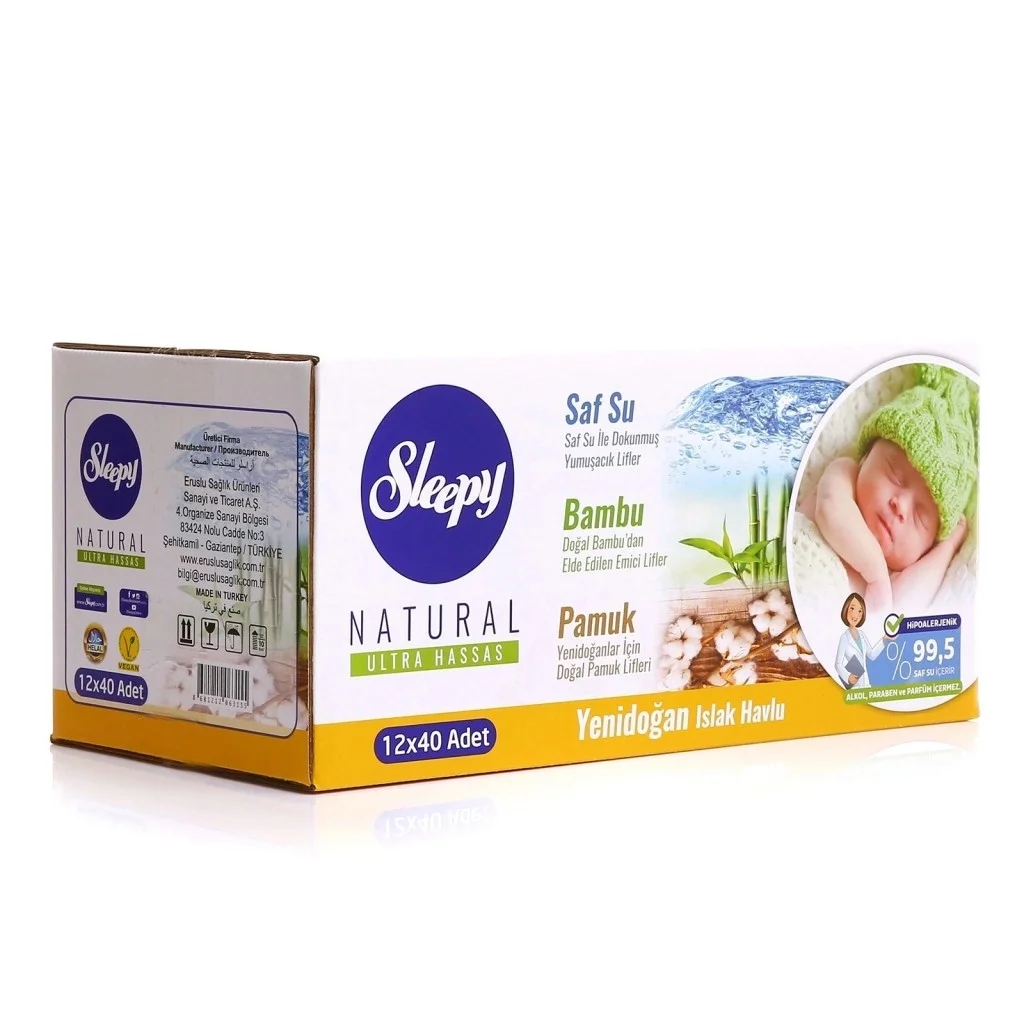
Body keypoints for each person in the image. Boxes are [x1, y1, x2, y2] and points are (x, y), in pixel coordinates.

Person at [799, 364, 977, 618]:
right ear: (867, 455)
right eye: (895, 475)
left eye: (920, 516)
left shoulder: (895, 577)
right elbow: (830, 510)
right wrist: (876, 576)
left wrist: (947, 547)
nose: (901, 506)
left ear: (927, 547)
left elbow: (903, 608)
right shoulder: (845, 474)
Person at [834, 593, 884, 689]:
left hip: (866, 683)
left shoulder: (862, 634)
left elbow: (871, 654)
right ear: (846, 609)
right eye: (852, 608)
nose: (855, 614)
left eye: (860, 611)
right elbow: (838, 664)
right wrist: (848, 676)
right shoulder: (844, 638)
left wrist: (884, 639)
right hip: (854, 685)